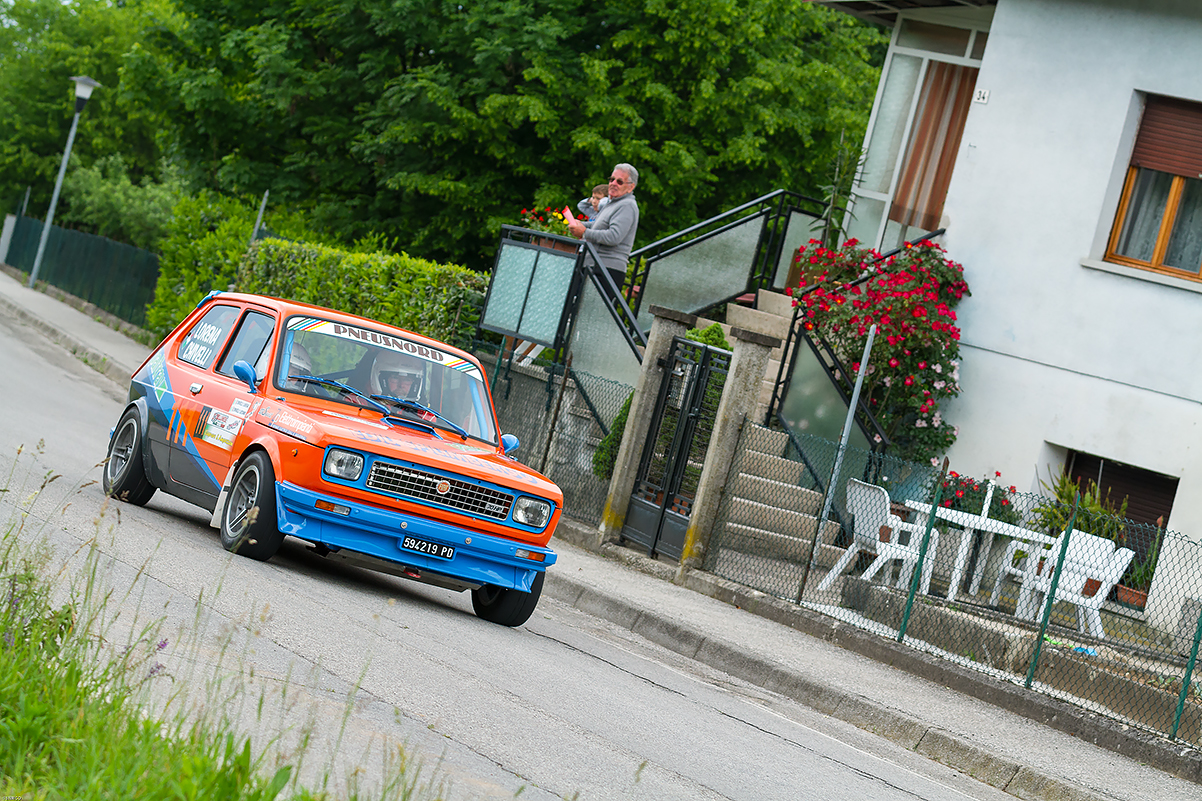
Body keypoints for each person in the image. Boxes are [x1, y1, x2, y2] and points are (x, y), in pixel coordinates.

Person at [566, 163, 640, 288]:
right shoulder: (614, 203)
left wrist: (584, 232)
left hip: (605, 270)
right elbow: (599, 226)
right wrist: (579, 225)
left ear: (630, 187)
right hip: (596, 266)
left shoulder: (627, 205)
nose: (613, 183)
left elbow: (614, 236)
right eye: (612, 179)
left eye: (620, 181)